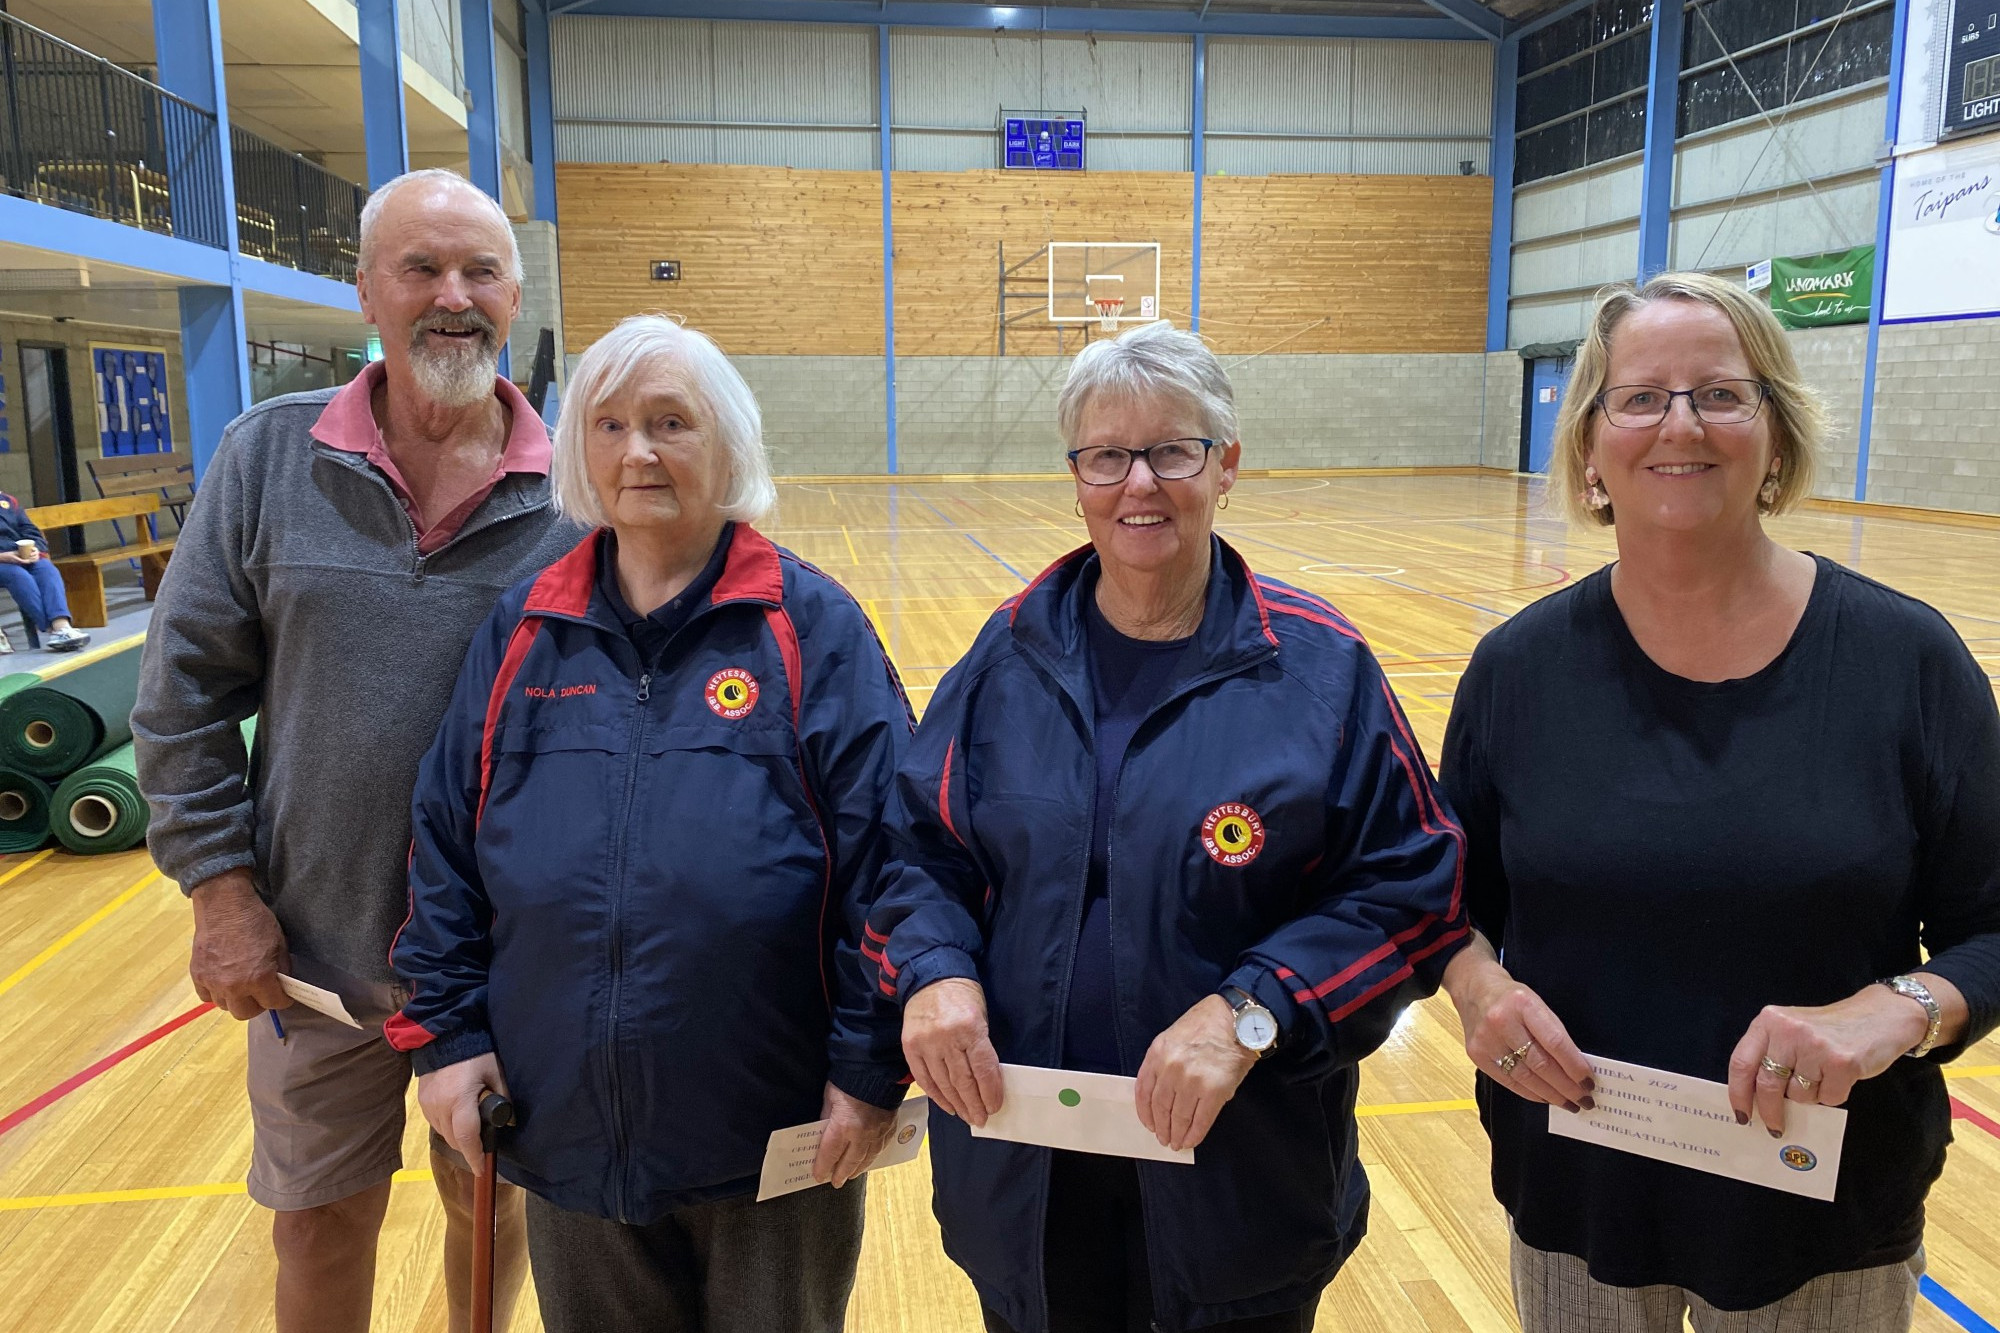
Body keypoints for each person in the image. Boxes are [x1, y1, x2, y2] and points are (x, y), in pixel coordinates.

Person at [863, 321, 1471, 1333]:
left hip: (1238, 1184)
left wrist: (1250, 1010)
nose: (1137, 483)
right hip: (1025, 1177)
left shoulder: (1320, 666)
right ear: (1075, 477)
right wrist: (932, 971)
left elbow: (1413, 889)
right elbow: (915, 853)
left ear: (1224, 464)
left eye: (1170, 451)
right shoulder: (1006, 655)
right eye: (1106, 456)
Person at [1438, 271, 2000, 1331]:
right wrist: (1476, 992)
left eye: (1718, 394)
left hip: (1823, 1214)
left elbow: (1992, 923)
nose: (1678, 424)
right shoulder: (1516, 671)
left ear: (1774, 436)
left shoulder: (1904, 661)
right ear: (1590, 449)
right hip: (1580, 1194)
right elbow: (1438, 899)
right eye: (1639, 396)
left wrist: (1899, 1010)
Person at [389, 314, 914, 1333]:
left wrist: (866, 1066)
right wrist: (447, 1037)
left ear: (725, 444)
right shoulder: (522, 630)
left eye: (670, 422)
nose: (637, 450)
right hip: (564, 1124)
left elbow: (891, 865)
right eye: (611, 422)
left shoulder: (810, 627)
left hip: (775, 1135)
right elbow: (444, 848)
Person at [133, 167, 581, 1333]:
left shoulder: (580, 486)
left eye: (479, 270)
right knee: (318, 1219)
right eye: (420, 268)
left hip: (506, 962)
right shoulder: (268, 457)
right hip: (314, 953)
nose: (452, 295)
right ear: (365, 294)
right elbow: (179, 691)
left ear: (515, 292)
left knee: (486, 1207)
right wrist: (219, 895)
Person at [0, 491, 90, 651]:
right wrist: (3, 556)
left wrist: (34, 548)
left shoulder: (8, 501)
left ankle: (62, 625)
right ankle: (55, 631)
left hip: (21, 556)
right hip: (4, 561)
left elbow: (30, 530)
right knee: (19, 577)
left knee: (47, 569)